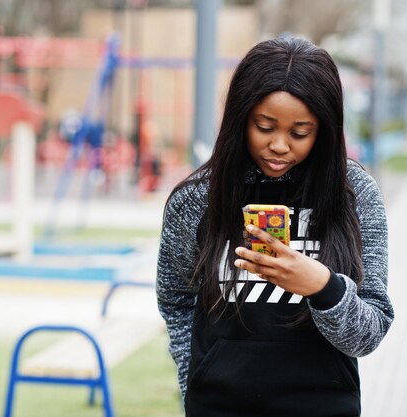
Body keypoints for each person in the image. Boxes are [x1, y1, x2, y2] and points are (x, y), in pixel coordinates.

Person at [156, 37, 394, 417]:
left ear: (325, 130)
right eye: (264, 127)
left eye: (300, 132)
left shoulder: (354, 195)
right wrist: (194, 380)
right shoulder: (198, 198)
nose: (279, 145)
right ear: (240, 118)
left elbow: (369, 333)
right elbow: (177, 301)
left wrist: (321, 286)